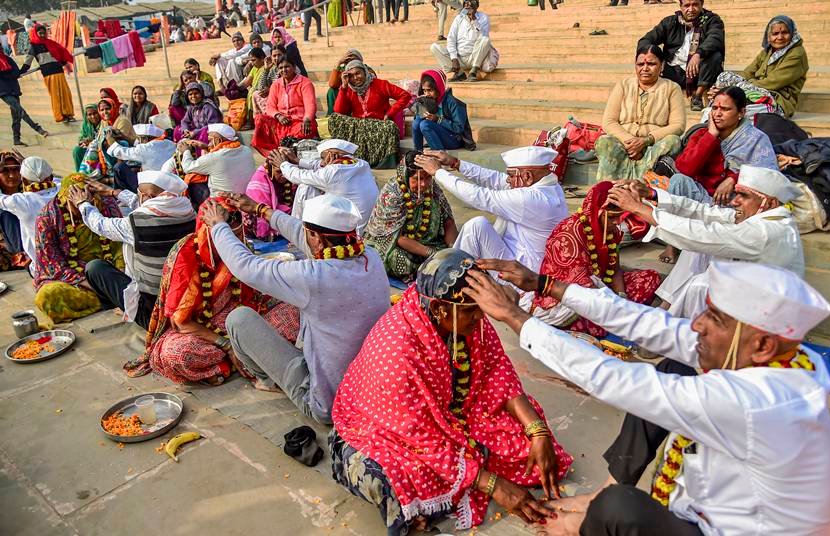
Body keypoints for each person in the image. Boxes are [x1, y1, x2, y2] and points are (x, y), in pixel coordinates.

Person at [466, 259, 830, 536]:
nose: (697, 324)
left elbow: (614, 379)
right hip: (723, 506)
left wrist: (514, 316)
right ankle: (607, 487)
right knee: (675, 368)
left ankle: (583, 523)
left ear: (762, 345)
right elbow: (650, 323)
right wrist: (545, 284)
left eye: (715, 318)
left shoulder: (760, 402)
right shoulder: (779, 356)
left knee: (618, 510)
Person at [331, 249, 572, 533]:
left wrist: (537, 430)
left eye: (481, 308)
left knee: (531, 450)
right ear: (438, 309)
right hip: (389, 431)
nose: (481, 317)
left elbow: (497, 370)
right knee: (400, 481)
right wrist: (495, 485)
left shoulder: (463, 313)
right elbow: (419, 436)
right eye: (472, 312)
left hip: (451, 413)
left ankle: (469, 468)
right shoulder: (397, 350)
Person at [200, 193, 389, 420]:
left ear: (317, 238)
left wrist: (219, 226)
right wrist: (261, 210)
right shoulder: (371, 257)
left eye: (309, 233)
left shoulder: (314, 276)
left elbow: (246, 266)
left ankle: (268, 381)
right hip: (371, 391)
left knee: (238, 319)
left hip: (329, 405)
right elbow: (304, 234)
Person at [134, 198, 298, 384]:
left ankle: (243, 356)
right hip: (200, 327)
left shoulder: (240, 246)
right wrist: (227, 345)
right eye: (225, 235)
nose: (233, 243)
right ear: (208, 229)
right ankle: (244, 357)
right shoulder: (187, 254)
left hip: (241, 314)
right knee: (175, 354)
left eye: (236, 236)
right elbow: (180, 322)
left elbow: (252, 292)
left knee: (296, 312)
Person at [607, 165, 803, 320]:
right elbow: (704, 212)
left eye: (744, 196)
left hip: (766, 312)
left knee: (700, 285)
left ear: (770, 203)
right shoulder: (761, 216)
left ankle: (685, 336)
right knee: (697, 248)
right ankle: (667, 309)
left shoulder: (767, 231)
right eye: (737, 194)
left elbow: (704, 235)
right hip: (749, 291)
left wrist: (638, 208)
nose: (735, 201)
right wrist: (652, 194)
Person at [520, 181, 661, 330]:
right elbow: (582, 287)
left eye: (621, 216)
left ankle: (617, 319)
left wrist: (621, 297)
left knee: (650, 278)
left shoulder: (610, 230)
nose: (617, 223)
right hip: (569, 295)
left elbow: (615, 269)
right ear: (598, 211)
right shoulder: (569, 234)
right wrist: (616, 307)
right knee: (589, 318)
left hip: (601, 287)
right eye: (612, 217)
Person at [65, 171, 196, 329]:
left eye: (138, 192)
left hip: (155, 314)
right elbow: (149, 207)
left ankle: (125, 307)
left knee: (95, 267)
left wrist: (82, 203)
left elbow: (100, 224)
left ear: (146, 197)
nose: (137, 196)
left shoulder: (136, 224)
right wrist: (114, 192)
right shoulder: (188, 211)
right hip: (186, 301)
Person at [414, 147, 568, 273]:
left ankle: (450, 277)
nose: (507, 180)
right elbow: (494, 178)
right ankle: (454, 273)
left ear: (527, 176)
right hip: (517, 260)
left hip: (522, 273)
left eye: (510, 175)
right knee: (478, 227)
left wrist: (438, 172)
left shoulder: (531, 199)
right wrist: (455, 163)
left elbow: (478, 196)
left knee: (476, 227)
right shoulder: (547, 186)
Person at [663, 86, 778, 206]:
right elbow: (684, 169)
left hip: (736, 204)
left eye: (725, 109)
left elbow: (769, 175)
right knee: (678, 181)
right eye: (714, 108)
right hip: (702, 198)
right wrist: (711, 136)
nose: (717, 114)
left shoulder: (755, 139)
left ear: (741, 113)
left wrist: (734, 179)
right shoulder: (701, 134)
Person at [33, 174, 125, 323]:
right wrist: (97, 287)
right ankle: (113, 298)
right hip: (79, 282)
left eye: (88, 199)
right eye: (76, 201)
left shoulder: (106, 204)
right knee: (47, 296)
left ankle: (117, 296)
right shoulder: (47, 218)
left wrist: (120, 275)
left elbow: (121, 245)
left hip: (111, 273)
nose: (83, 205)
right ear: (65, 199)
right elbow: (53, 265)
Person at [596, 44, 686, 182]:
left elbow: (678, 125)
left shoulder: (672, 88)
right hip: (624, 144)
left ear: (662, 66)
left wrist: (645, 141)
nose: (645, 68)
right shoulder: (623, 85)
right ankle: (608, 188)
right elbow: (609, 121)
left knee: (673, 141)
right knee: (604, 141)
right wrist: (631, 143)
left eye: (651, 64)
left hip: (653, 147)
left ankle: (641, 184)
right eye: (640, 64)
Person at [364, 151, 458, 281]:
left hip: (429, 242)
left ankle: (434, 265)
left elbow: (448, 221)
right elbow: (398, 237)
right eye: (417, 179)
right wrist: (433, 254)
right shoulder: (392, 194)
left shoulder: (432, 188)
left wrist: (453, 249)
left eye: (427, 177)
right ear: (405, 176)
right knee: (399, 261)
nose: (423, 184)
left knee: (456, 249)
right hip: (394, 243)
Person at [269, 139, 379, 234]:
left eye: (322, 158)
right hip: (362, 227)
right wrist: (297, 161)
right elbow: (318, 165)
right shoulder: (361, 164)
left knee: (306, 187)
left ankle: (297, 232)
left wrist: (282, 164)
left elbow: (299, 176)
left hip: (350, 232)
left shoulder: (334, 172)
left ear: (333, 155)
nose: (321, 163)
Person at [709, 15, 808, 117]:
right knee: (724, 77)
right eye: (775, 33)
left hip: (777, 101)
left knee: (734, 108)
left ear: (792, 33)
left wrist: (738, 88)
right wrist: (722, 88)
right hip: (755, 90)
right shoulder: (767, 51)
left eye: (785, 33)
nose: (780, 37)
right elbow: (748, 73)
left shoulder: (797, 54)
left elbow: (773, 82)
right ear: (768, 36)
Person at [637, 0, 725, 111]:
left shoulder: (712, 20)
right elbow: (645, 41)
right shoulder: (670, 22)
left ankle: (697, 96)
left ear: (702, 4)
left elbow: (715, 38)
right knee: (650, 57)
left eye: (695, 5)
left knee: (715, 56)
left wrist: (698, 54)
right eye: (687, 5)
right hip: (673, 70)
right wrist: (659, 59)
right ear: (681, 6)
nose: (691, 9)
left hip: (699, 72)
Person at [331, 60, 412, 168]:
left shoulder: (380, 84)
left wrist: (390, 113)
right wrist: (344, 87)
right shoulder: (348, 89)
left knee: (391, 127)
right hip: (359, 125)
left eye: (358, 73)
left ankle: (383, 161)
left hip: (378, 124)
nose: (355, 78)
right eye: (351, 76)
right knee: (334, 118)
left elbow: (405, 95)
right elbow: (339, 111)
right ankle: (347, 154)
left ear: (365, 72)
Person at [0, 156, 57, 274]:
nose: (12, 176)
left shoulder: (22, 201)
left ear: (24, 180)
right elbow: (56, 180)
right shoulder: (60, 189)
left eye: (16, 170)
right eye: (5, 171)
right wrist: (33, 167)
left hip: (41, 267)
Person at [251, 57, 317, 156]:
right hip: (280, 122)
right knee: (259, 118)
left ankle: (288, 154)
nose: (284, 70)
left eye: (287, 67)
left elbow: (310, 104)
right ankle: (273, 154)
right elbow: (270, 107)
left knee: (306, 130)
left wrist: (307, 119)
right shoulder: (276, 84)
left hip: (299, 122)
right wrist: (278, 116)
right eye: (280, 68)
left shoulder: (305, 82)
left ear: (294, 67)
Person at [177, 123, 256, 200]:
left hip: (223, 201)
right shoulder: (246, 150)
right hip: (247, 197)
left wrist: (186, 151)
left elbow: (187, 167)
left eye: (209, 141)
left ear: (218, 140)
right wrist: (206, 147)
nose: (209, 144)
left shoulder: (215, 157)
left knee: (192, 178)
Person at [430, 0, 498, 83]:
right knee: (434, 47)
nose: (468, 5)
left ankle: (473, 71)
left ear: (477, 5)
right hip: (459, 59)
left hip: (475, 57)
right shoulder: (459, 18)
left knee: (485, 40)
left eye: (471, 2)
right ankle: (459, 73)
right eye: (466, 2)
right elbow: (451, 39)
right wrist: (454, 58)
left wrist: (474, 20)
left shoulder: (483, 17)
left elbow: (483, 36)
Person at [20, 24, 75, 123]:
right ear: (35, 33)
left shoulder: (51, 43)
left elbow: (59, 55)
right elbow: (28, 61)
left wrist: (65, 64)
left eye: (43, 33)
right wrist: (20, 72)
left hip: (59, 71)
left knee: (65, 94)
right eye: (40, 33)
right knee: (55, 95)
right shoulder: (33, 46)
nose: (42, 35)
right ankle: (60, 116)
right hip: (48, 74)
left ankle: (69, 114)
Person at [412, 69, 472, 152]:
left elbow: (459, 128)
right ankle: (417, 152)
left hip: (455, 139)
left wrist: (438, 119)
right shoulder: (428, 100)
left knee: (425, 125)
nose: (427, 94)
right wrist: (419, 108)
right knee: (417, 122)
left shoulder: (453, 103)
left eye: (430, 90)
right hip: (440, 135)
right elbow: (417, 117)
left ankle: (439, 154)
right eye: (425, 90)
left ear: (438, 88)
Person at [79, 97, 137, 181]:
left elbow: (119, 140)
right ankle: (87, 173)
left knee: (115, 139)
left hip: (127, 149)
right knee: (94, 145)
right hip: (110, 148)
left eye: (107, 109)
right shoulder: (104, 121)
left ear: (113, 108)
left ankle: (112, 172)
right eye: (102, 110)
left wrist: (107, 136)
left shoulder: (123, 120)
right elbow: (100, 138)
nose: (105, 112)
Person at [107, 124, 177, 192]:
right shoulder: (171, 144)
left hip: (152, 186)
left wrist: (111, 142)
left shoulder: (145, 149)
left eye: (139, 138)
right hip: (170, 183)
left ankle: (122, 195)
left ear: (145, 139)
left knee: (119, 167)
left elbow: (121, 152)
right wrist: (124, 137)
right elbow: (140, 145)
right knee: (134, 168)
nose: (138, 141)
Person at [0, 48, 48, 146]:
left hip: (14, 89)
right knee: (20, 110)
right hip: (3, 92)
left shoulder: (8, 59)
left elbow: (16, 72)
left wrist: (6, 75)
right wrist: (9, 75)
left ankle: (16, 139)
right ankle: (37, 128)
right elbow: (12, 74)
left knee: (16, 116)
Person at [245, 156, 299, 240]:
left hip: (278, 217)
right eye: (279, 172)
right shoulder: (260, 180)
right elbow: (260, 214)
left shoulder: (291, 178)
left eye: (285, 171)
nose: (283, 176)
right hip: (260, 225)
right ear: (270, 169)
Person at [325, 49, 363, 113]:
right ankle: (333, 115)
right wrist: (338, 63)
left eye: (354, 60)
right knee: (332, 91)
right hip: (347, 97)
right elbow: (332, 84)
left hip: (361, 95)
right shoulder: (344, 71)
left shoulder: (365, 70)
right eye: (348, 60)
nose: (351, 63)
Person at [72, 105, 100, 171]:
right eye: (89, 115)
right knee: (77, 150)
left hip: (100, 148)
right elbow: (81, 138)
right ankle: (79, 174)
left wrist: (92, 141)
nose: (93, 116)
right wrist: (83, 141)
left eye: (95, 113)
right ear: (86, 116)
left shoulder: (103, 123)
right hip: (89, 148)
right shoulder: (86, 125)